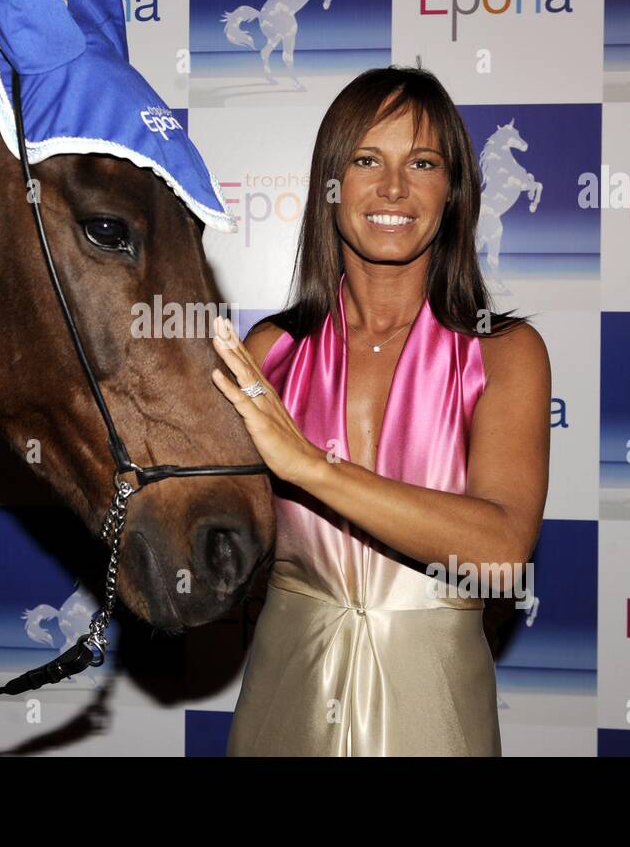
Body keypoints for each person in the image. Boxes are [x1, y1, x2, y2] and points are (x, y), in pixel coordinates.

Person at [209, 65, 550, 756]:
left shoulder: (506, 353)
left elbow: (503, 551)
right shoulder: (269, 351)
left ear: (452, 192)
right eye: (367, 159)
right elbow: (221, 541)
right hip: (285, 699)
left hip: (436, 706)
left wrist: (311, 466)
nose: (393, 187)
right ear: (330, 186)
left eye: (421, 162)